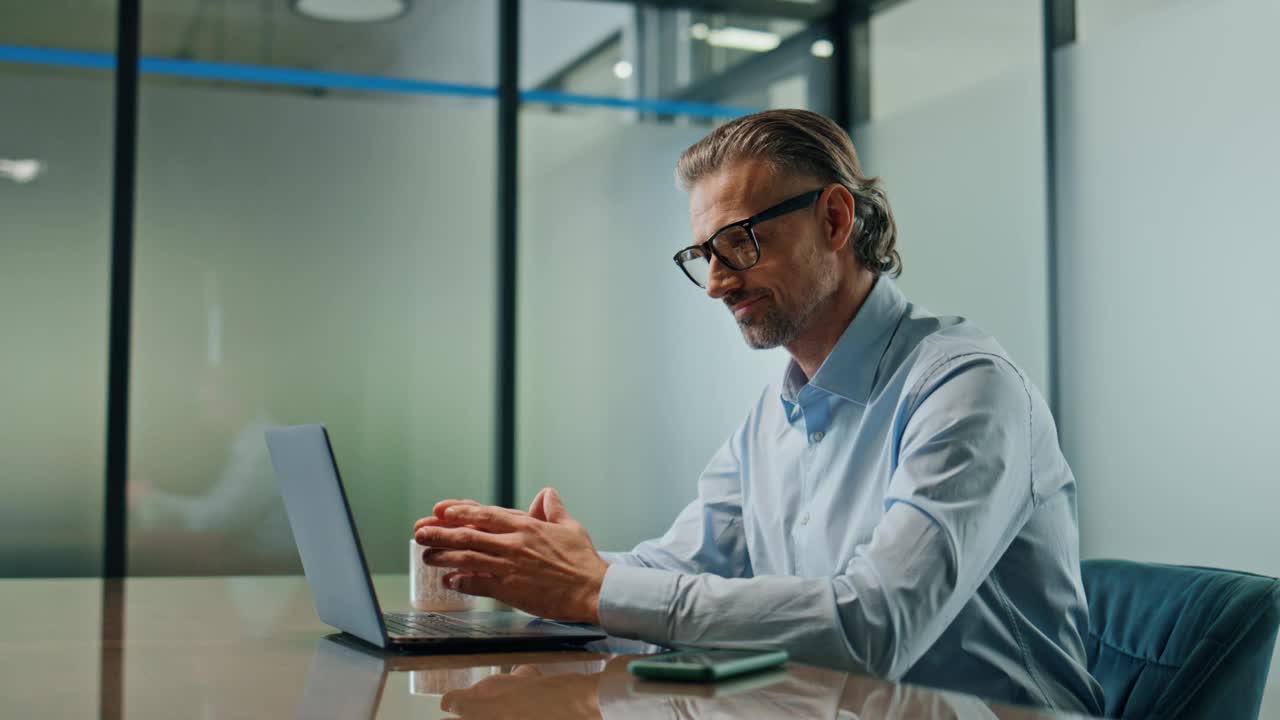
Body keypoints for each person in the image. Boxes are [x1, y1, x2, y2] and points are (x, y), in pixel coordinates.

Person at [413, 109, 1104, 713]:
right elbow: (675, 569)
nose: (715, 283)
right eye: (702, 254)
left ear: (835, 219)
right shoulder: (775, 416)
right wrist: (531, 569)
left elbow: (876, 626)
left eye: (739, 242)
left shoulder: (965, 387)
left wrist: (592, 587)